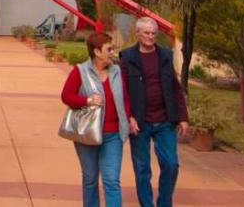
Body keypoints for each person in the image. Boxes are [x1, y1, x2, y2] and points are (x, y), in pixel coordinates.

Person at [61, 31, 137, 207]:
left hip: (113, 135)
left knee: (111, 181)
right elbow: (66, 96)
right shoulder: (80, 71)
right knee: (90, 179)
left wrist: (128, 117)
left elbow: (124, 98)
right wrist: (87, 100)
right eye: (109, 49)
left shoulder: (116, 71)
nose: (113, 53)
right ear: (97, 52)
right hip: (87, 135)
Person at [120, 17, 189, 207]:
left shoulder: (165, 55)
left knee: (171, 165)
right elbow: (122, 91)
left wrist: (182, 117)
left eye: (153, 33)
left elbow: (175, 88)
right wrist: (129, 117)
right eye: (147, 33)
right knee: (142, 169)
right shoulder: (127, 57)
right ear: (138, 34)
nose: (151, 37)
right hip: (139, 123)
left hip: (165, 121)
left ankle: (164, 203)